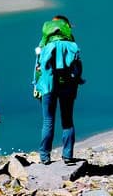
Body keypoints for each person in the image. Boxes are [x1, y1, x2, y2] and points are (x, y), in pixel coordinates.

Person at [33, 15, 84, 165]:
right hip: (68, 86)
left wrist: (36, 86)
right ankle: (67, 156)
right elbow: (78, 67)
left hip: (48, 86)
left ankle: (44, 156)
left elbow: (38, 68)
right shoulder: (71, 43)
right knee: (67, 121)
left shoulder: (44, 43)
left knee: (48, 121)